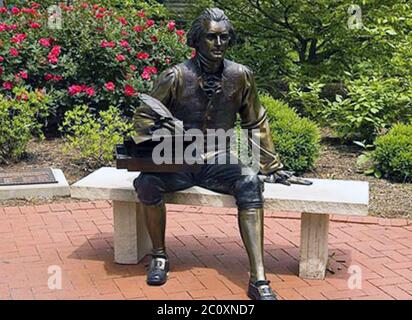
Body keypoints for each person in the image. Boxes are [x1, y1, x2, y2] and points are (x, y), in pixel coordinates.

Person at [133, 8, 311, 300]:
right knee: (148, 182)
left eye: (224, 38)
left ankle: (259, 277)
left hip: (218, 157)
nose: (218, 44)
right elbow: (144, 117)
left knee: (250, 181)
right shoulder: (175, 76)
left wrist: (272, 165)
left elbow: (255, 120)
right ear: (196, 40)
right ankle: (160, 256)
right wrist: (161, 134)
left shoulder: (241, 76)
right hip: (178, 158)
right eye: (211, 37)